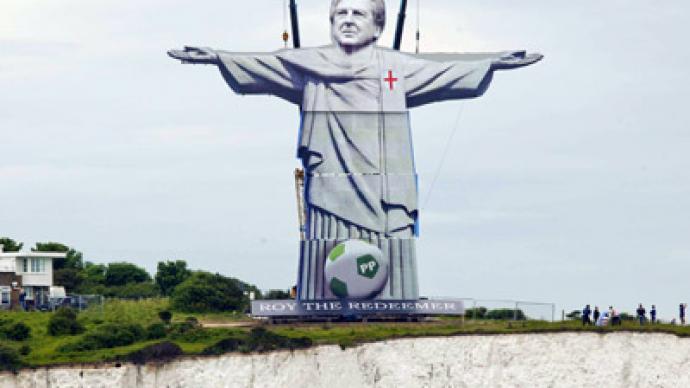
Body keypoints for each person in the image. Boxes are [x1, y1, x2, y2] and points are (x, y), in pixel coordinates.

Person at [168, 0, 542, 300]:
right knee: (326, 232)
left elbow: (444, 69)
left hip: (384, 182)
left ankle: (392, 297)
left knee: (389, 237)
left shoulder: (396, 68)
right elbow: (260, 65)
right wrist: (217, 56)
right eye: (340, 13)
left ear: (378, 26)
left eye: (358, 13)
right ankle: (321, 297)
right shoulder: (308, 66)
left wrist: (492, 62)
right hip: (331, 177)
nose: (348, 20)